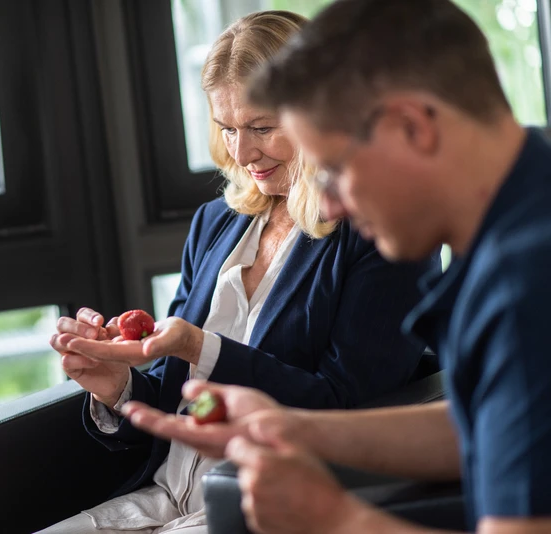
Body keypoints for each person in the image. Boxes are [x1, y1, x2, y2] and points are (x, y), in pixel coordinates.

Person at [123, 1, 551, 533]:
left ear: (413, 129)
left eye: (335, 171)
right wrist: (296, 429)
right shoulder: (519, 203)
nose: (328, 207)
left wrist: (333, 518)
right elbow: (482, 426)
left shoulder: (524, 286)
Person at [42, 10, 439, 534]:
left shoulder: (378, 231)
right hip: (163, 496)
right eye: (227, 128)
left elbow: (346, 406)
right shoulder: (216, 224)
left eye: (261, 127)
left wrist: (196, 347)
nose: (241, 152)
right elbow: (179, 394)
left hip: (259, 502)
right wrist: (119, 387)